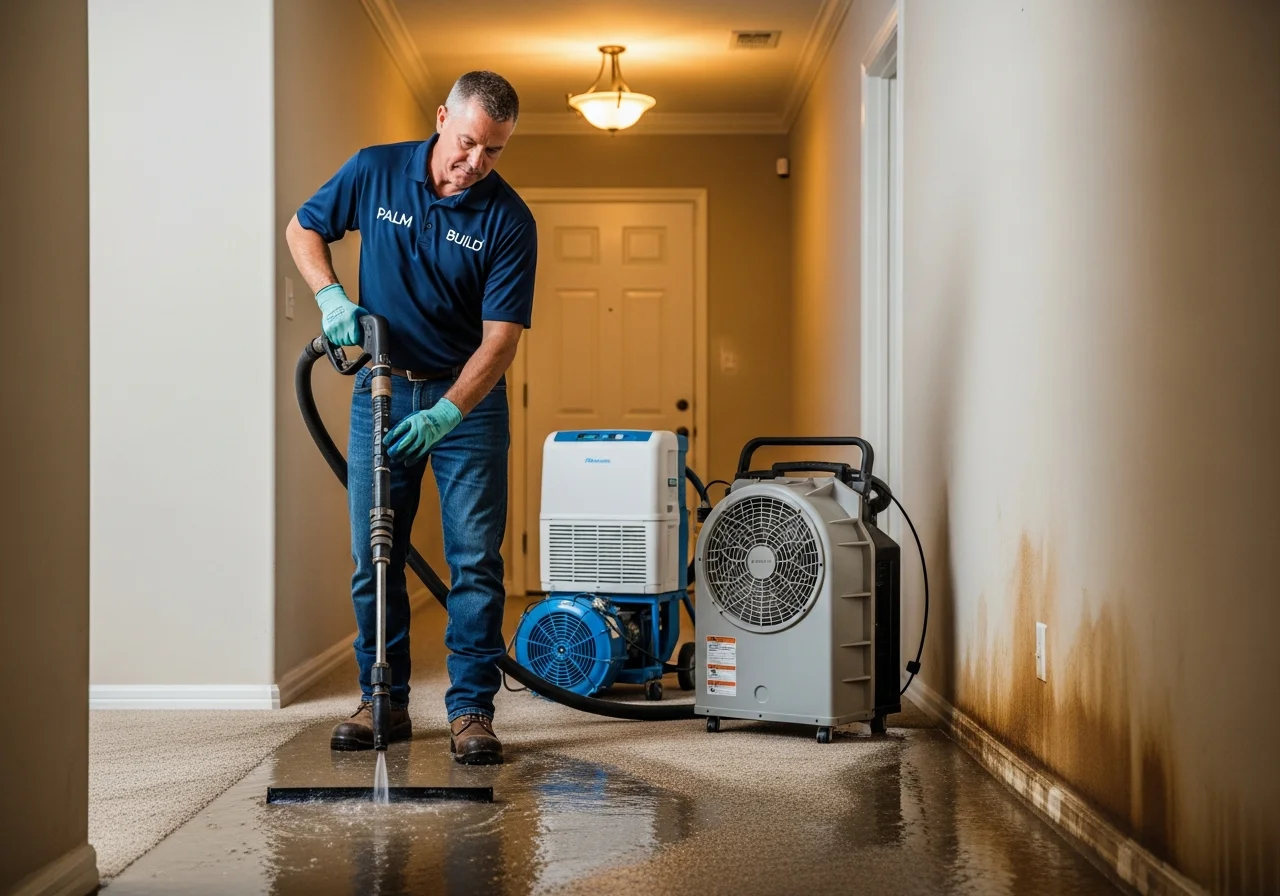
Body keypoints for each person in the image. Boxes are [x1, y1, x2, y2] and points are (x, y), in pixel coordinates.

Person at [284, 71, 535, 765]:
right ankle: (381, 700)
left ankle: (472, 711)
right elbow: (304, 226)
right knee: (375, 554)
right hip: (383, 389)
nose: (475, 163)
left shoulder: (509, 219)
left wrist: (449, 412)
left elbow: (501, 339)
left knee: (474, 563)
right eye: (467, 142)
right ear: (440, 118)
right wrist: (333, 300)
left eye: (493, 151)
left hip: (468, 403)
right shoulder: (375, 170)